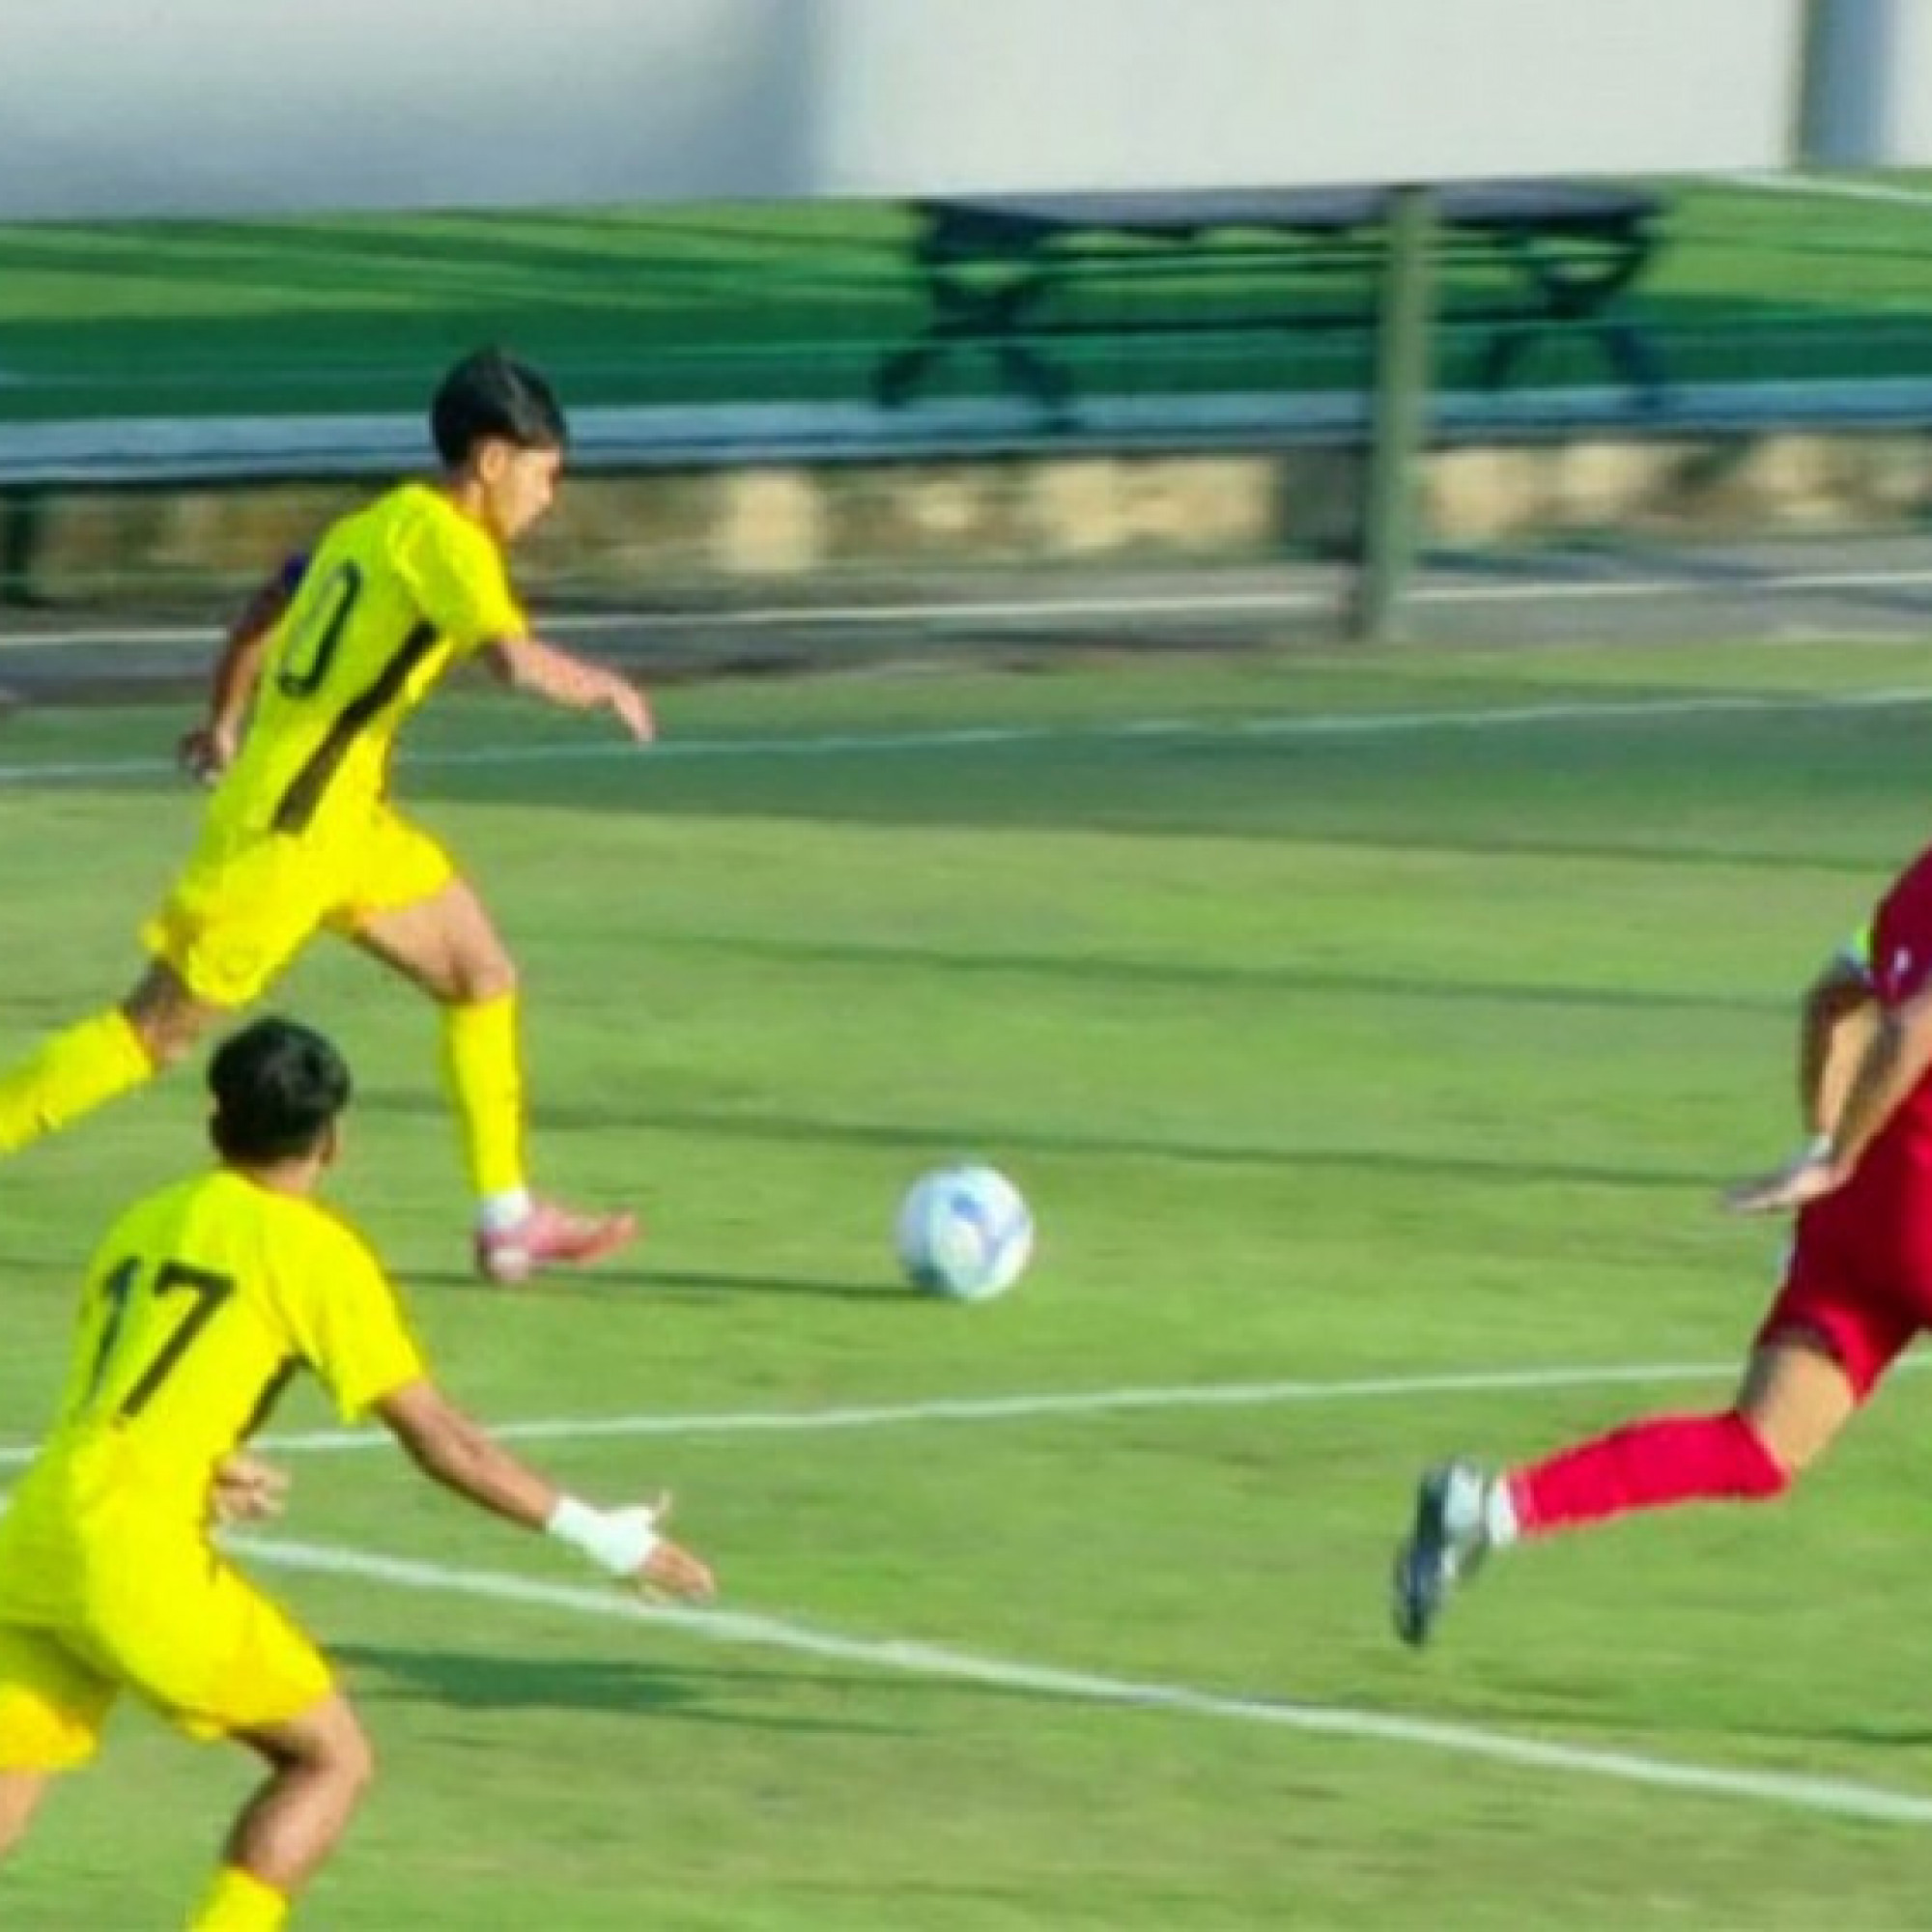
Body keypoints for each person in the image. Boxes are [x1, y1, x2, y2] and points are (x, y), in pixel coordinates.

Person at [0, 1015, 715, 1930]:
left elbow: (133, 1394)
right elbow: (444, 1442)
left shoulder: (143, 1220)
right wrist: (604, 1536)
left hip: (38, 1533)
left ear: (215, 1123)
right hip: (135, 1557)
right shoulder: (315, 1252)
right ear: (333, 1139)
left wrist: (212, 1464)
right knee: (329, 1759)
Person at [0, 347, 651, 1284]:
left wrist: (223, 716)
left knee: (480, 972)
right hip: (288, 835)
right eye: (547, 474)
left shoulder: (376, 523)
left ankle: (506, 1217)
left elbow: (272, 595)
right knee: (152, 1031)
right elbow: (510, 660)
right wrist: (604, 686)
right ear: (492, 459)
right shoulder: (452, 546)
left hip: (346, 825)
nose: (550, 499)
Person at [1393, 849, 1932, 1648]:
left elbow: (1830, 1002)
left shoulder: (1913, 889)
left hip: (1856, 1224)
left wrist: (1826, 1149)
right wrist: (1841, 1151)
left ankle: (1491, 1509)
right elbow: (1913, 1026)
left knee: (1756, 1446)